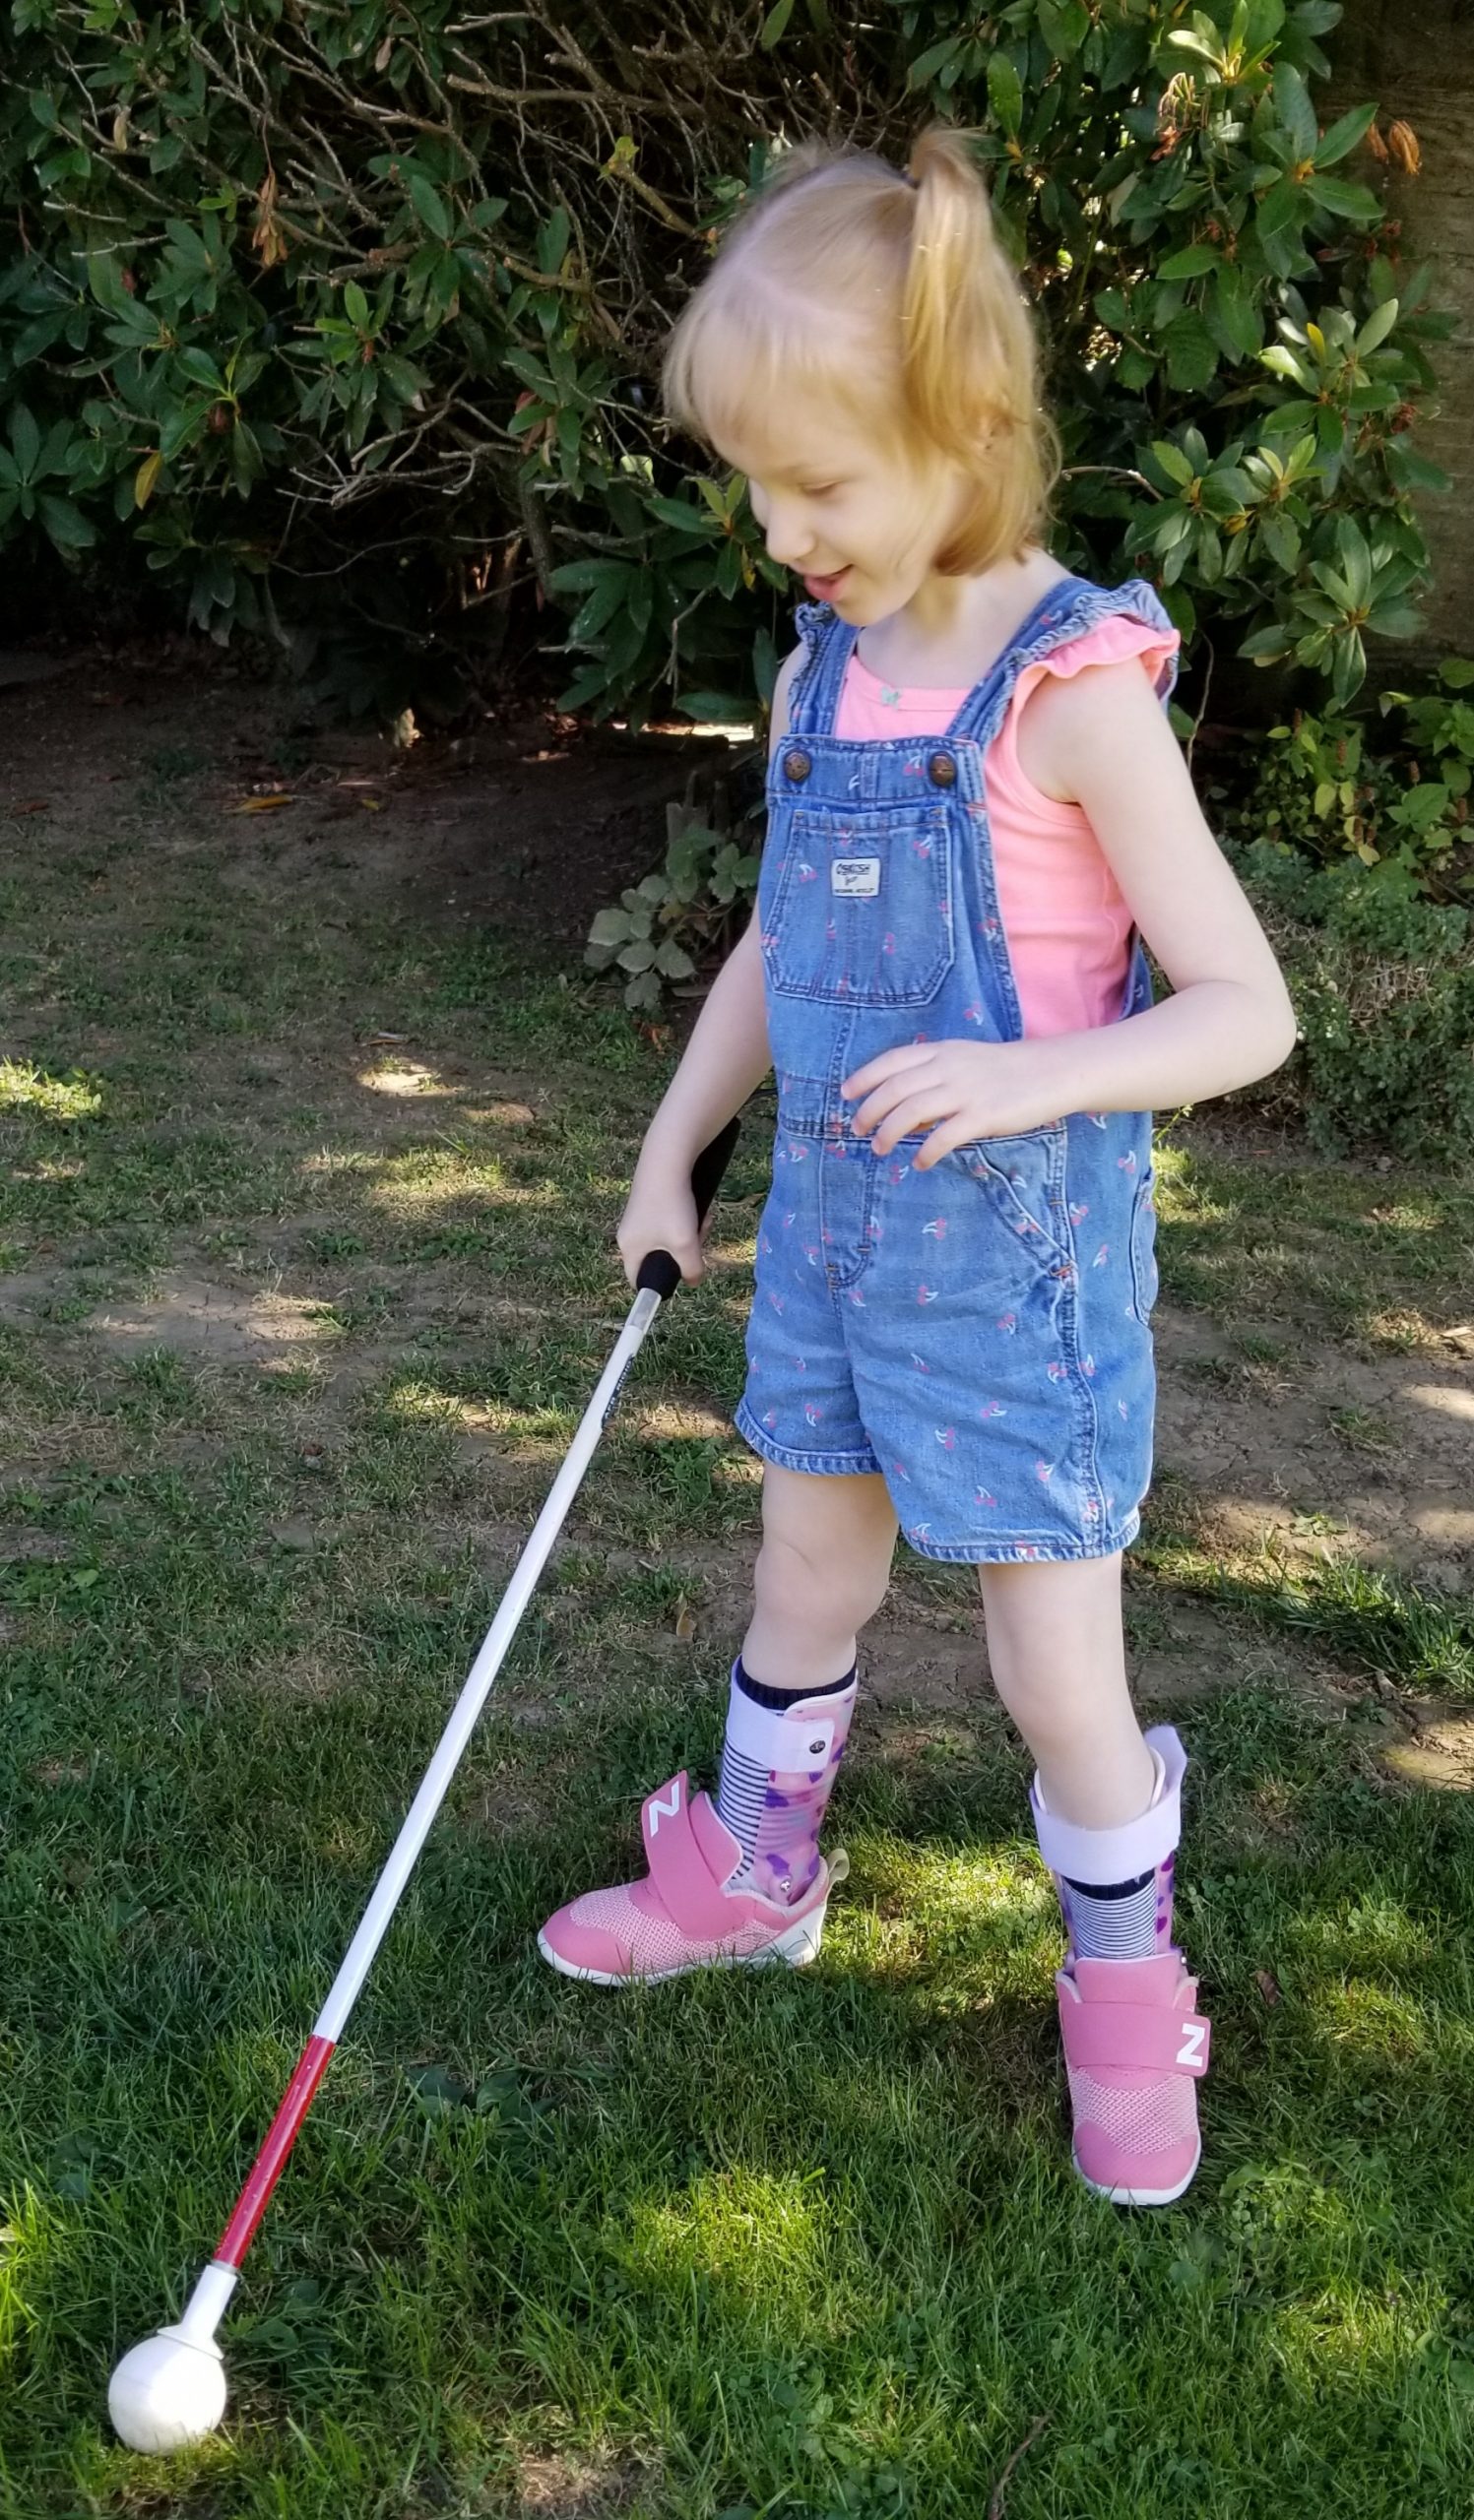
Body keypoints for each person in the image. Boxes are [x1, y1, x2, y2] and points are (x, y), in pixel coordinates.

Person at [537, 128, 1296, 2207]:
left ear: (962, 429)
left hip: (1016, 1277)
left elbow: (1243, 1007)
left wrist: (1027, 1075)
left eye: (821, 482)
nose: (780, 528)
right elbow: (787, 938)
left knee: (1058, 1669)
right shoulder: (825, 669)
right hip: (833, 1249)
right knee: (807, 1568)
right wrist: (672, 1143)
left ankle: (1128, 1984)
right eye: (757, 485)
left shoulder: (1071, 693)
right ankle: (758, 1866)